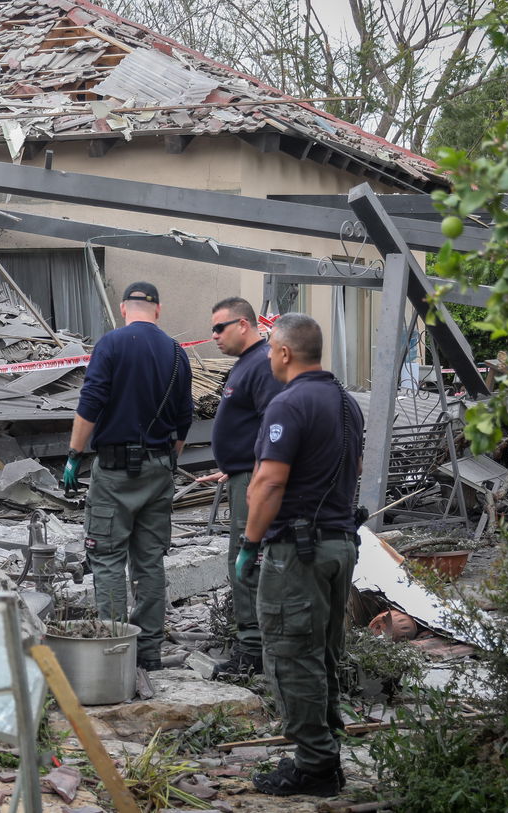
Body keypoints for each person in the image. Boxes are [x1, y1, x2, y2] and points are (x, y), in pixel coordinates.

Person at [235, 313, 364, 797]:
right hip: (338, 544)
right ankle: (325, 749)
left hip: (298, 551)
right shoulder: (347, 404)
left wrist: (250, 543)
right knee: (324, 652)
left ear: (285, 353)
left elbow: (269, 480)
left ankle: (315, 767)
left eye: (270, 349)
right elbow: (351, 469)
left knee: (292, 654)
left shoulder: (288, 403)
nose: (267, 357)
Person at [61, 282, 193, 671]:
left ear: (122, 309)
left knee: (106, 558)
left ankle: (115, 653)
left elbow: (91, 402)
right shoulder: (176, 353)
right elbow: (185, 418)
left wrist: (73, 455)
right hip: (158, 468)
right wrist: (169, 460)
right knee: (150, 560)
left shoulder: (111, 344)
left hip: (115, 470)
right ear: (159, 310)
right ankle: (149, 651)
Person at [198, 297, 284, 679]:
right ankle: (255, 645)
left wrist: (252, 471)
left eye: (220, 327)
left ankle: (252, 653)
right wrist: (233, 468)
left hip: (255, 481)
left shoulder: (262, 366)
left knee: (245, 561)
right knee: (245, 561)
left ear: (244, 325)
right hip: (243, 475)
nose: (214, 335)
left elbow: (277, 426)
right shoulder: (245, 365)